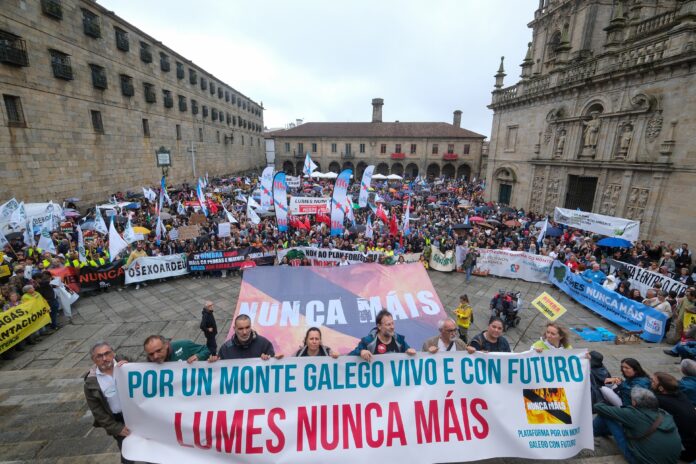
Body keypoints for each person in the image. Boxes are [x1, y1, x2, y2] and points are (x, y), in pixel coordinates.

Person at [593, 387, 682, 464]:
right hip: (671, 460)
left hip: (642, 461)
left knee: (606, 415)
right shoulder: (664, 413)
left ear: (634, 403)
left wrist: (606, 401)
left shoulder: (633, 414)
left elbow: (598, 407)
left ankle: (592, 433)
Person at [83, 341, 133, 464]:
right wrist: (116, 428)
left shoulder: (128, 363)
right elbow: (98, 411)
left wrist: (132, 367)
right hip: (119, 420)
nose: (105, 358)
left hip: (137, 414)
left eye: (107, 353)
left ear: (113, 353)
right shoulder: (91, 383)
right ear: (93, 360)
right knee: (128, 454)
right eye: (99, 356)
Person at [650, 372, 696, 462]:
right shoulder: (680, 394)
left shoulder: (659, 400)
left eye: (653, 381)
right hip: (691, 445)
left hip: (682, 450)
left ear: (661, 388)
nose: (650, 382)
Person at [349, 309, 417, 361]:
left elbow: (409, 351)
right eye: (388, 324)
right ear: (379, 326)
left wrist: (410, 351)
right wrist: (361, 352)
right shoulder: (369, 341)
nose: (392, 327)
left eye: (392, 323)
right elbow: (349, 357)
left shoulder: (399, 340)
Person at [143, 335, 211, 363]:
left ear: (166, 345)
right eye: (151, 354)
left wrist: (199, 356)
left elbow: (209, 349)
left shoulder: (184, 345)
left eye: (158, 351)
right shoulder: (149, 362)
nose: (155, 356)